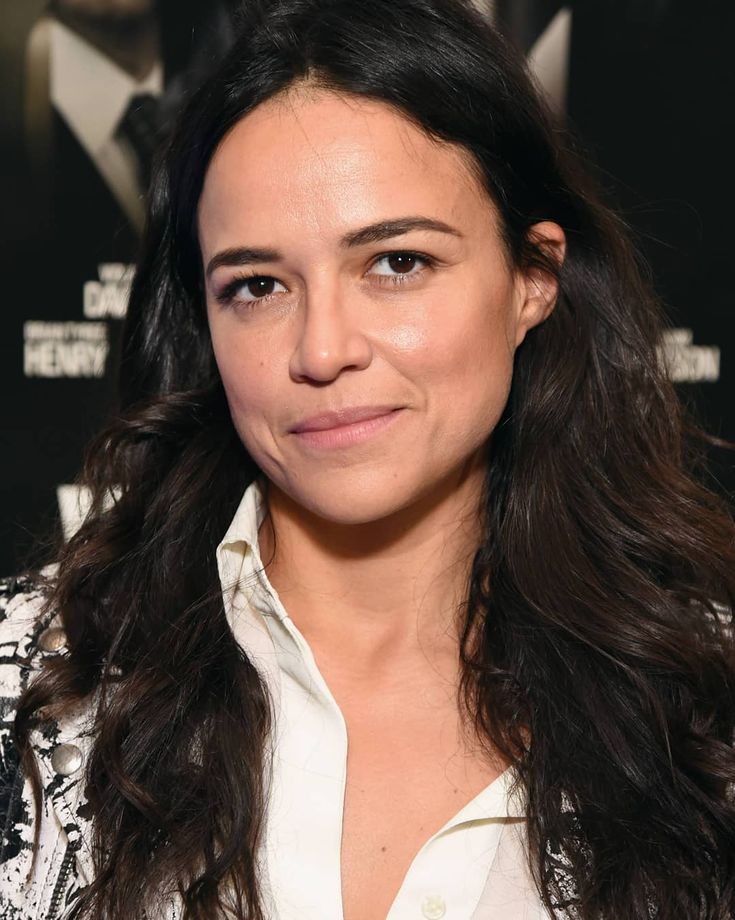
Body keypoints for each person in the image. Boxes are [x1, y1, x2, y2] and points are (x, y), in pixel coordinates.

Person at [1, 0, 734, 917]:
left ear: (532, 280)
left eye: (395, 263)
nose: (321, 349)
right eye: (258, 286)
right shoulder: (32, 683)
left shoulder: (704, 703)